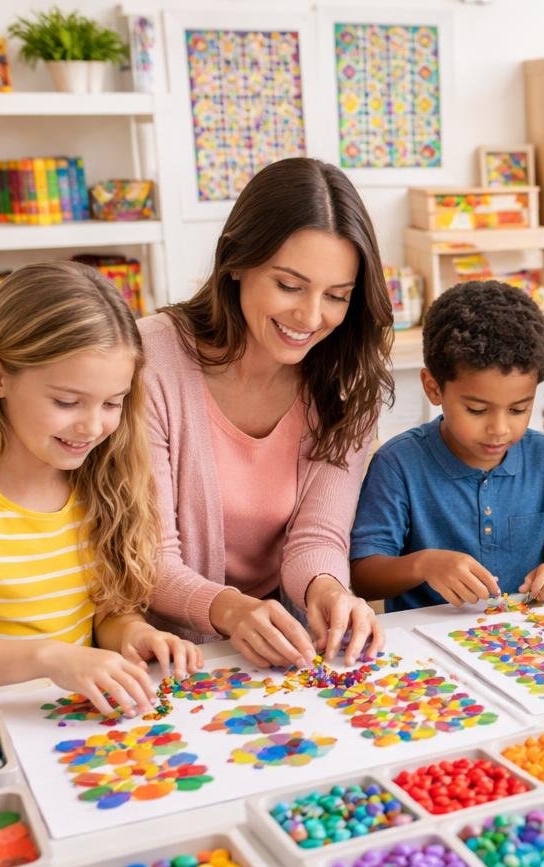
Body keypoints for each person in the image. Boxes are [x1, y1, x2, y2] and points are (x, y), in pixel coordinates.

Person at [0, 262, 201, 713]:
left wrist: (134, 635)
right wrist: (48, 658)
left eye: (112, 403)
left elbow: (106, 612)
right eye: (67, 401)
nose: (92, 426)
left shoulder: (99, 481)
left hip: (59, 723)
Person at [140, 157, 393, 668]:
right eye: (289, 285)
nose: (310, 316)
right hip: (160, 654)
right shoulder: (151, 360)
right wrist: (231, 610)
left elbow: (318, 535)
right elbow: (149, 557)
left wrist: (328, 592)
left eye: (337, 296)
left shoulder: (347, 381)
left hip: (277, 651)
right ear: (236, 260)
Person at [350, 281, 544, 610]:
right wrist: (424, 564)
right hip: (427, 640)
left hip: (517, 635)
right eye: (477, 410)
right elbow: (363, 577)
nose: (499, 429)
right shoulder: (398, 464)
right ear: (433, 387)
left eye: (519, 409)